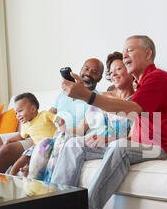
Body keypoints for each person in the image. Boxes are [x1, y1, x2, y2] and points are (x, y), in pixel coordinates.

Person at [50, 35, 167, 209]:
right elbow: (136, 128)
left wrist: (87, 96)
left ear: (148, 54)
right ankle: (55, 208)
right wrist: (108, 138)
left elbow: (130, 109)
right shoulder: (140, 85)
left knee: (120, 147)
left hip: (161, 147)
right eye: (123, 52)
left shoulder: (158, 78)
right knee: (74, 144)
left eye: (129, 50)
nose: (125, 56)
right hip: (139, 144)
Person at [16, 52, 135, 180]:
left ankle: (48, 189)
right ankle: (33, 185)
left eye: (118, 69)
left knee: (69, 143)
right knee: (47, 142)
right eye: (111, 72)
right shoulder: (103, 98)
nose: (114, 74)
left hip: (112, 141)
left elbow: (135, 136)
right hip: (92, 138)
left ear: (130, 71)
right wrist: (61, 133)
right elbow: (81, 128)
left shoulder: (137, 100)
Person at [0, 58, 104, 173]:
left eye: (94, 71)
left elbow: (84, 129)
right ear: (80, 70)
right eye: (86, 68)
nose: (88, 73)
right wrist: (31, 126)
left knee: (6, 151)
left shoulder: (98, 100)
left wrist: (61, 133)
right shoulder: (64, 93)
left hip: (54, 139)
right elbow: (49, 113)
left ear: (100, 77)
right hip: (39, 131)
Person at [0, 92, 58, 175]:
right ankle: (11, 174)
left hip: (51, 145)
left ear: (33, 109)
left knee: (42, 161)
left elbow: (58, 119)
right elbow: (21, 136)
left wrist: (62, 127)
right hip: (36, 147)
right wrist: (9, 140)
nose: (18, 115)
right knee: (23, 157)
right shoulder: (25, 126)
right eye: (16, 113)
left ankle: (29, 169)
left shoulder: (44, 115)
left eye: (20, 111)